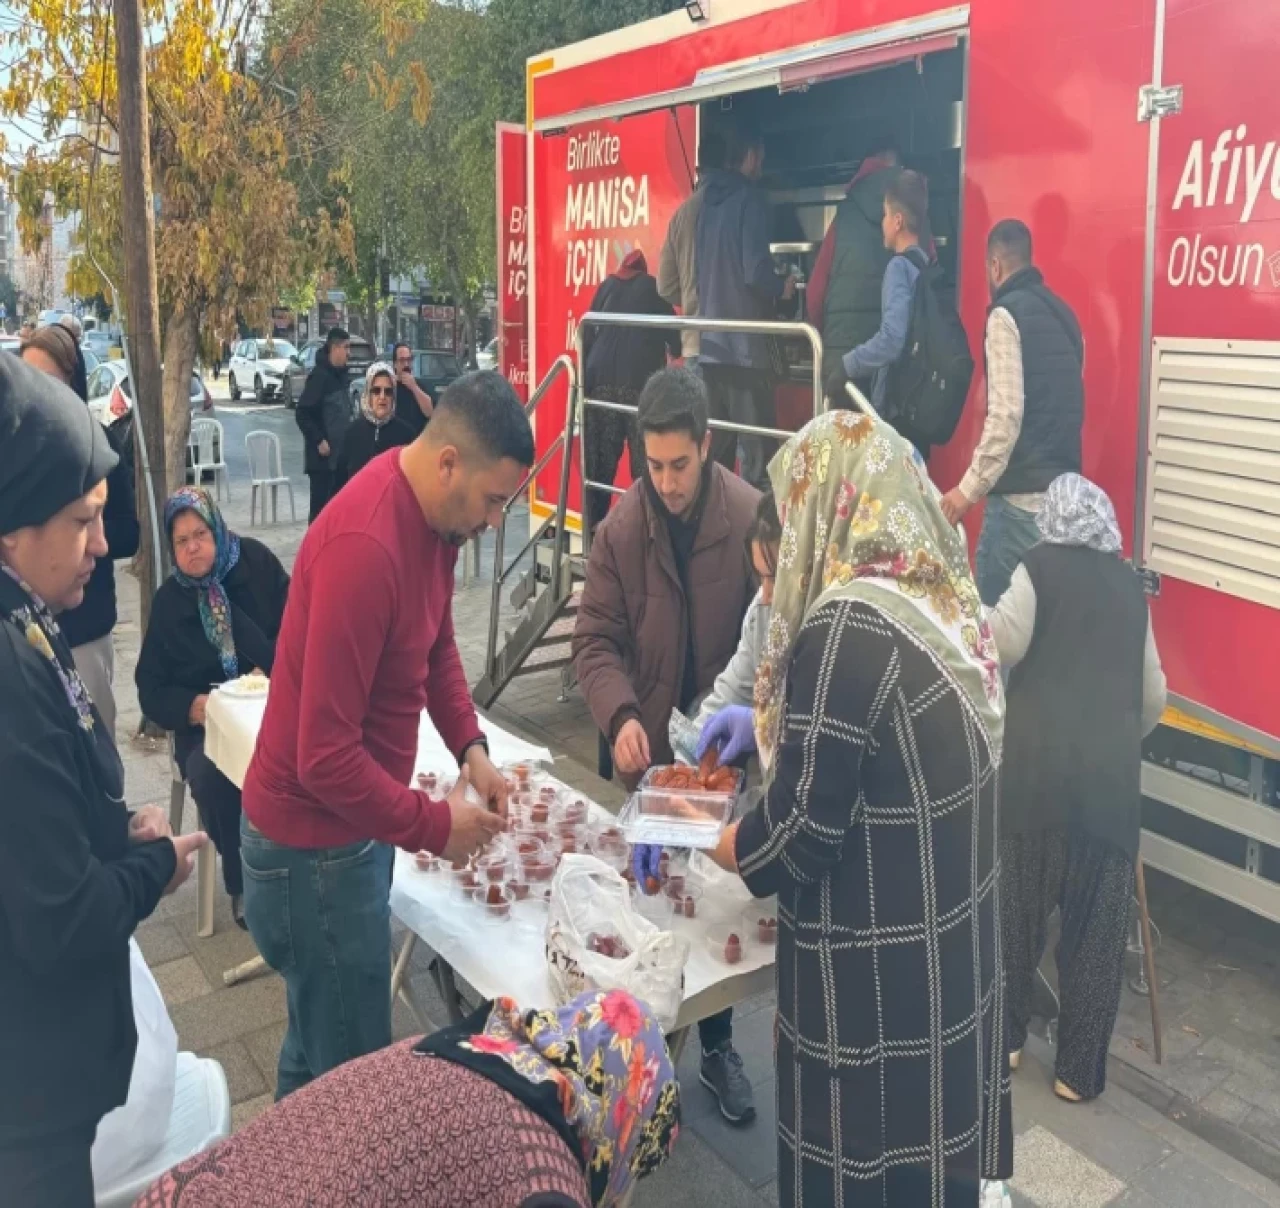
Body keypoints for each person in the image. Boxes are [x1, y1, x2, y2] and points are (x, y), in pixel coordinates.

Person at [700, 409, 1012, 1204]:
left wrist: (707, 833)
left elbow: (797, 839)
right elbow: (870, 766)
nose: (773, 598)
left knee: (864, 1178)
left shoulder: (845, 626)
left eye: (774, 576)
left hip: (875, 990)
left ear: (823, 514)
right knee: (932, 1178)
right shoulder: (939, 594)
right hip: (948, 975)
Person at [242, 371, 534, 1098]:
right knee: (355, 1099)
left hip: (344, 840)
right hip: (310, 854)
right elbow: (325, 758)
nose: (497, 522)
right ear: (447, 464)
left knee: (314, 1059)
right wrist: (435, 826)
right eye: (494, 501)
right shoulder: (366, 545)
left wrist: (472, 748)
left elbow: (434, 645)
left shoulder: (434, 520)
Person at [0, 354, 205, 1207]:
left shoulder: (25, 618)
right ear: (13, 526)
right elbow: (59, 918)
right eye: (83, 521)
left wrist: (108, 831)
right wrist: (155, 870)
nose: (105, 544)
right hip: (29, 1100)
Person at [572, 366, 760, 1125]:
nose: (668, 482)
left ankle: (715, 1046)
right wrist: (618, 715)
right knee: (649, 907)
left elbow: (771, 652)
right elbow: (594, 641)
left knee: (715, 913)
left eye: (680, 465)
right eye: (653, 466)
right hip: (647, 756)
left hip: (719, 764)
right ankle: (637, 1055)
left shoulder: (749, 520)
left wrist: (747, 724)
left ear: (707, 446)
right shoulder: (622, 528)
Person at [988, 474, 1166, 1103]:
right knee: (1094, 939)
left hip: (1036, 782)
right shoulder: (1129, 588)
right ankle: (1078, 1073)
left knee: (1015, 920)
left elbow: (1003, 640)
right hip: (1108, 795)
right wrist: (1116, 743)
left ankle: (1004, 1041)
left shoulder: (1037, 567)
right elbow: (1154, 699)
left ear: (1054, 520)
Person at [135, 487, 290, 930]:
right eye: (181, 541)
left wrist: (271, 665)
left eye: (200, 534)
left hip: (273, 705)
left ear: (216, 529)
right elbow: (150, 688)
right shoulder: (170, 603)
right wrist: (194, 707)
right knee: (210, 771)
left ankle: (300, 863)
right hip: (206, 727)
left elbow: (300, 622)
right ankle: (246, 881)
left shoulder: (255, 564)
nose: (192, 547)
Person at [940, 219, 1085, 604]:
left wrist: (966, 492)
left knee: (993, 633)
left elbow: (1006, 417)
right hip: (1062, 507)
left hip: (1019, 508)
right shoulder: (1066, 317)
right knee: (1042, 629)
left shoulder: (1004, 317)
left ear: (995, 266)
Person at [21, 322, 138, 736]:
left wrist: (79, 541)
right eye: (29, 377)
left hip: (83, 628)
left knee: (94, 746)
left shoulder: (98, 445)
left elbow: (128, 533)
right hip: (23, 635)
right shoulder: (12, 453)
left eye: (49, 380)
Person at [695, 120, 795, 487]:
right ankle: (753, 543)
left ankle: (714, 539)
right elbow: (755, 272)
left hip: (711, 349)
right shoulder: (750, 199)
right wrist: (781, 288)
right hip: (745, 351)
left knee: (715, 460)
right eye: (762, 156)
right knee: (758, 463)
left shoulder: (707, 202)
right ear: (751, 156)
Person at [823, 170, 934, 452]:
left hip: (896, 405)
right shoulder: (925, 265)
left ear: (897, 222)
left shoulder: (898, 268)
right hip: (919, 404)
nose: (882, 223)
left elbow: (891, 339)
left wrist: (848, 364)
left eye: (885, 215)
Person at [580, 250, 679, 532]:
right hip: (638, 386)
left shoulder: (607, 285)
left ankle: (593, 533)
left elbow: (586, 333)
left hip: (598, 385)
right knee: (644, 464)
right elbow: (676, 336)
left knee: (600, 466)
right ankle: (646, 531)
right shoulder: (652, 287)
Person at [808, 143, 902, 392]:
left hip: (840, 360)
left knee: (838, 431)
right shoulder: (912, 214)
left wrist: (824, 337)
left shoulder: (844, 214)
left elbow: (815, 292)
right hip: (893, 369)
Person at [657, 130, 725, 363]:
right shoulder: (734, 205)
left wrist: (689, 299)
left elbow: (665, 285)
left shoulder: (681, 214)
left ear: (698, 170)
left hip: (693, 344)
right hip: (728, 347)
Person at [295, 326, 354, 522]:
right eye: (346, 348)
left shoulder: (341, 376)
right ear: (334, 348)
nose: (349, 353)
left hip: (340, 462)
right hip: (323, 464)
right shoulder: (319, 377)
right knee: (320, 517)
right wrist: (319, 440)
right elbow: (302, 413)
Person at [334, 360, 416, 490]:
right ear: (368, 394)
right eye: (376, 391)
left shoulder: (407, 435)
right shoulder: (352, 433)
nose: (382, 397)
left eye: (388, 392)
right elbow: (338, 484)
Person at [392, 341, 433, 436]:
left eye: (409, 360)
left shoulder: (419, 386)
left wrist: (414, 387)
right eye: (402, 360)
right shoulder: (390, 387)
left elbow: (429, 412)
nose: (406, 364)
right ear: (395, 364)